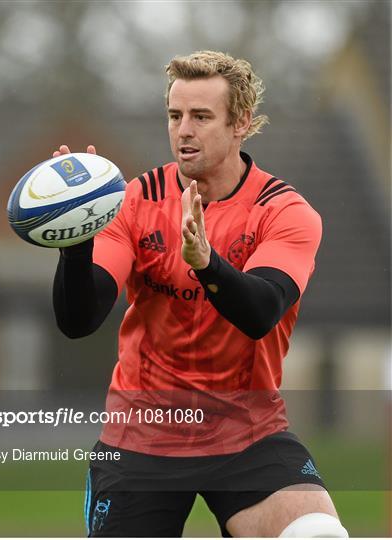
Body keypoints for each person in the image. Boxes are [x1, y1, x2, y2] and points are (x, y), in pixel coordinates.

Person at [52, 51, 348, 538]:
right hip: (141, 436)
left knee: (316, 533)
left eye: (201, 116)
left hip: (247, 433)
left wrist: (206, 263)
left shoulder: (284, 211)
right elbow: (78, 319)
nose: (183, 130)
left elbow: (261, 311)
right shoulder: (130, 201)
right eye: (175, 115)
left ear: (241, 124)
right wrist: (76, 243)